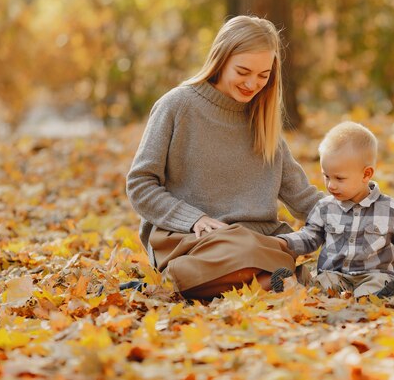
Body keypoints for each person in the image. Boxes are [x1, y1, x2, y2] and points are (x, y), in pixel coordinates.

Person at [126, 15, 322, 300]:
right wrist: (194, 219)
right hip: (191, 240)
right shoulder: (177, 106)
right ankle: (292, 279)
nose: (252, 83)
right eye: (243, 71)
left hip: (258, 243)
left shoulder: (263, 121)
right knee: (243, 248)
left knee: (266, 245)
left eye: (263, 75)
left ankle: (275, 282)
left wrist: (357, 216)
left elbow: (302, 196)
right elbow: (140, 184)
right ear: (221, 59)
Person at [271, 121, 394, 300]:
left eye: (339, 178)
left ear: (366, 174)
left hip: (375, 275)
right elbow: (309, 236)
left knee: (376, 287)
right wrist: (284, 242)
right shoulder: (325, 208)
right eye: (326, 176)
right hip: (336, 276)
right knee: (323, 284)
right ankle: (292, 286)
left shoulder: (389, 210)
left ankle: (386, 296)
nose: (331, 185)